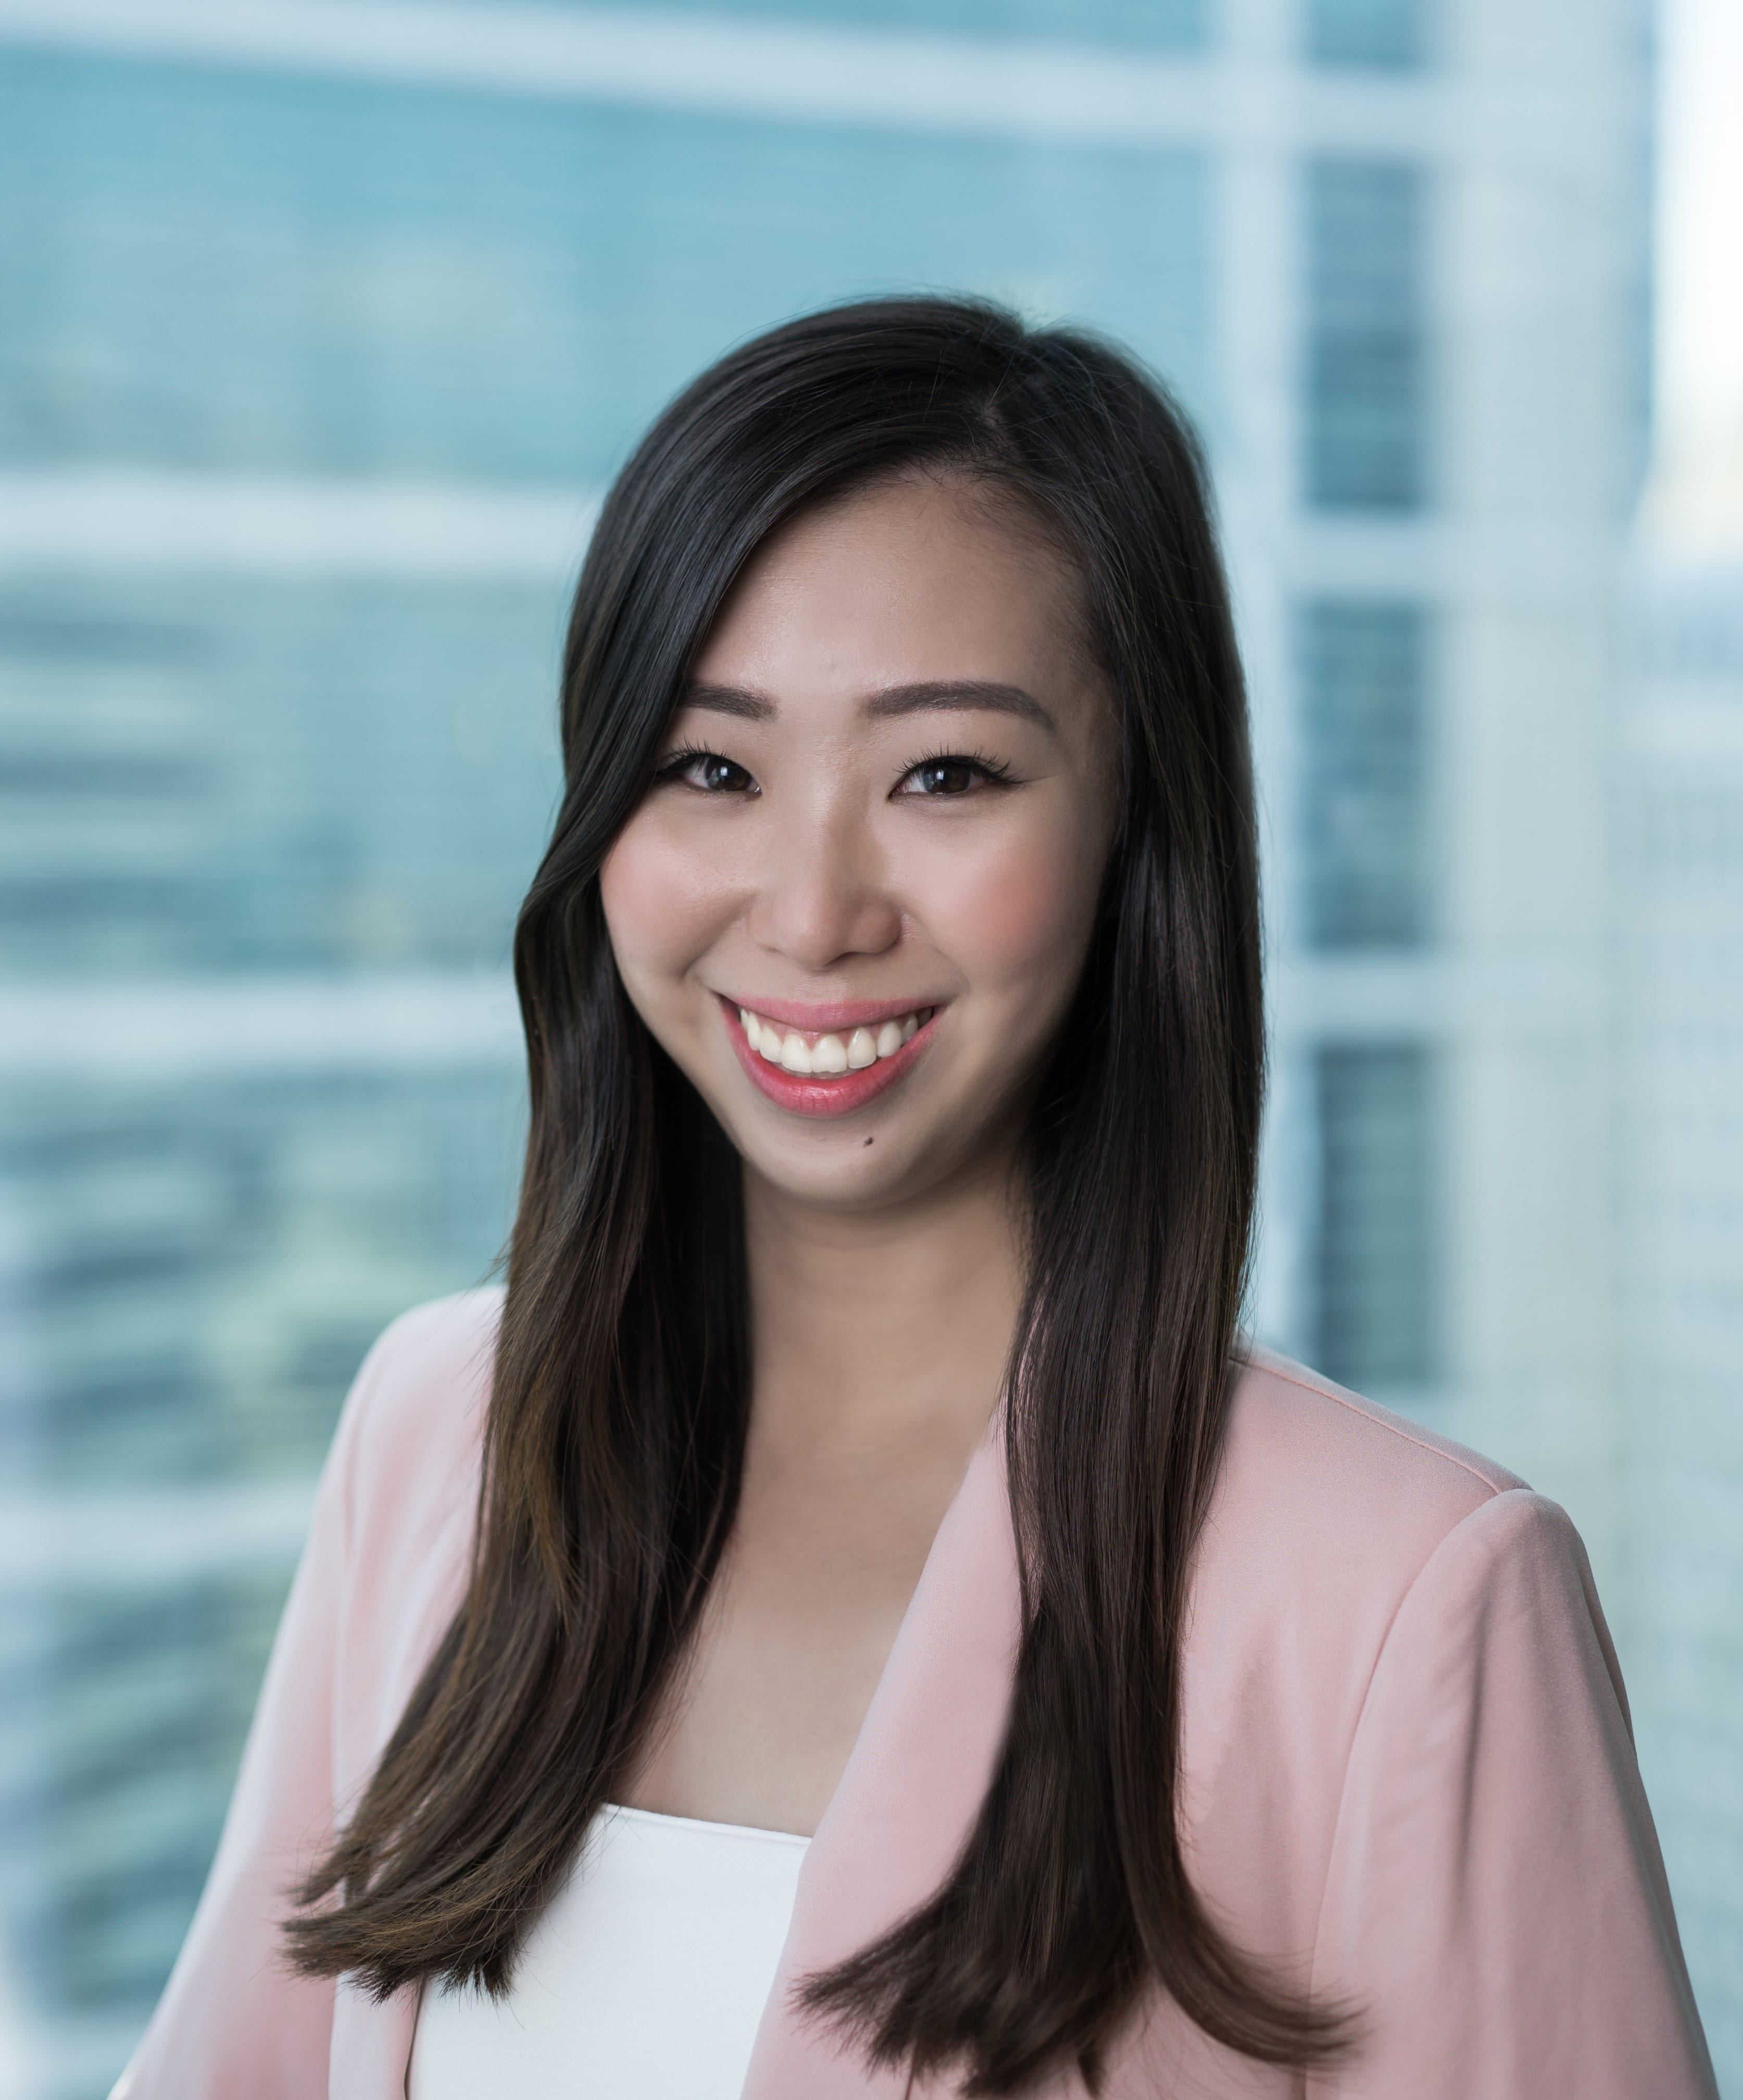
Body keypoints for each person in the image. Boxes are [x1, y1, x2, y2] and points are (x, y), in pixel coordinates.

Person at [114, 298, 1715, 2100]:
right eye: (709, 767)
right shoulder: (439, 1433)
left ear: (1135, 827)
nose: (811, 914)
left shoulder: (1404, 1600)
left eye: (943, 773)